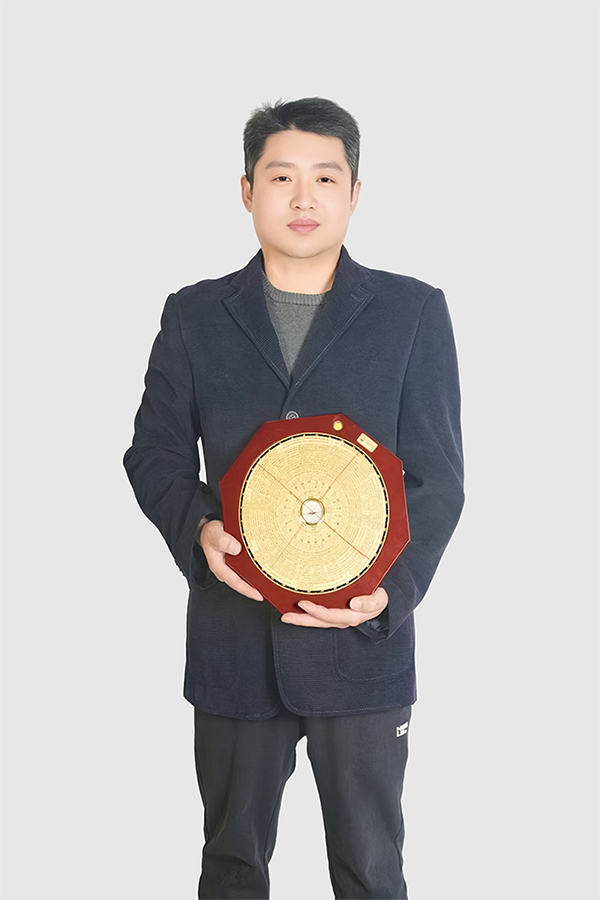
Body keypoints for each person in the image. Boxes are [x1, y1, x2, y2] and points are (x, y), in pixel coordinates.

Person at [124, 97, 464, 899]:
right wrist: (199, 529)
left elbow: (438, 478)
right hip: (234, 641)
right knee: (231, 867)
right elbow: (154, 452)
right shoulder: (194, 314)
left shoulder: (413, 312)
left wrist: (390, 596)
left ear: (355, 193)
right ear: (247, 191)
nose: (303, 197)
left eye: (325, 178)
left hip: (364, 647)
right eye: (281, 178)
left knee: (372, 870)